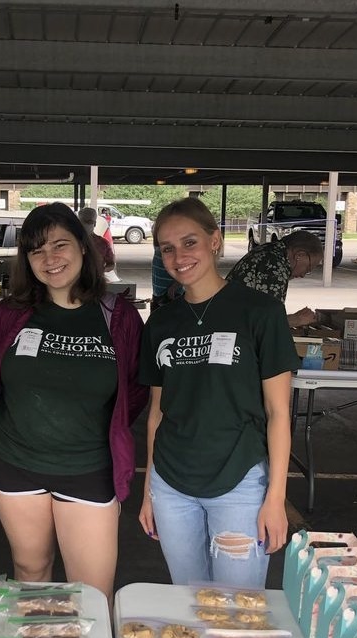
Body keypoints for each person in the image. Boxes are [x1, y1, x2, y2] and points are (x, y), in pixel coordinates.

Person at [0, 202, 148, 601]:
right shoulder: (11, 316)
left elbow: (133, 393)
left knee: (93, 593)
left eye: (60, 245)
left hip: (89, 469)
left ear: (84, 248)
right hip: (16, 466)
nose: (50, 259)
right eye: (36, 250)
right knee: (30, 572)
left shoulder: (118, 317)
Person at [138, 197, 300, 587]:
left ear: (215, 241)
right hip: (172, 484)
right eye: (167, 248)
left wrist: (276, 498)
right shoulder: (161, 322)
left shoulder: (260, 312)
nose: (179, 257)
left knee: (238, 608)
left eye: (189, 242)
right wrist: (148, 488)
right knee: (189, 599)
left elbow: (278, 412)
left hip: (239, 482)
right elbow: (157, 413)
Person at [225, 231, 324, 327]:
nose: (303, 275)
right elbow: (267, 322)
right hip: (231, 330)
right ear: (299, 255)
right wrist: (297, 319)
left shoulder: (270, 251)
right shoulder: (274, 266)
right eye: (308, 268)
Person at [77, 207, 116, 274]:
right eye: (83, 221)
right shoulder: (72, 242)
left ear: (94, 224)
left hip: (96, 281)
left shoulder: (103, 243)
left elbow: (111, 264)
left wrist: (101, 270)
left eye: (89, 222)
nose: (85, 225)